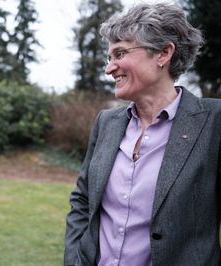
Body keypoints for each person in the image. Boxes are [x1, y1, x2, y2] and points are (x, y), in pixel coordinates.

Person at [64, 3, 221, 266]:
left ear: (163, 53)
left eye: (120, 53)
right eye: (110, 57)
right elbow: (82, 201)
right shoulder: (107, 123)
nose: (109, 68)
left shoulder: (214, 122)